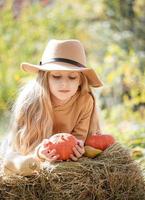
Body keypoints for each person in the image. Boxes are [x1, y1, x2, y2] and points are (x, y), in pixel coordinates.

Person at [0, 39, 103, 168]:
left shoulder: (85, 101)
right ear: (45, 78)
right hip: (25, 149)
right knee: (15, 161)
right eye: (56, 76)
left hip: (62, 151)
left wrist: (77, 148)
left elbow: (79, 137)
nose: (64, 84)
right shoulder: (31, 102)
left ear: (81, 81)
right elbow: (21, 144)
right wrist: (39, 153)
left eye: (72, 77)